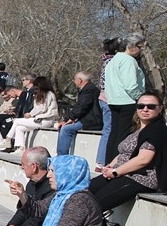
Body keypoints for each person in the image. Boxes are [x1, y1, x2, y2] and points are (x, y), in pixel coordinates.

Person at [88, 89, 167, 211]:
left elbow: (143, 160)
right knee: (82, 193)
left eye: (151, 106)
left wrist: (115, 172)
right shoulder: (137, 130)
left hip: (141, 179)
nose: (145, 109)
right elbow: (124, 153)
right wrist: (110, 166)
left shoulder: (157, 130)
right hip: (123, 173)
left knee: (92, 206)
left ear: (160, 109)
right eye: (141, 106)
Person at [104, 33, 147, 163]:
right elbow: (130, 86)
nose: (141, 50)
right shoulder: (129, 61)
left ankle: (109, 162)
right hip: (127, 101)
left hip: (113, 101)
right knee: (124, 135)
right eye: (140, 46)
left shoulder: (112, 61)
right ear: (131, 46)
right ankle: (118, 163)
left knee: (114, 133)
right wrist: (141, 99)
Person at [3, 75, 58, 153]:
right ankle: (21, 148)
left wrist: (30, 114)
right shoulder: (40, 94)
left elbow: (42, 108)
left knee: (17, 121)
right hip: (39, 119)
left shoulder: (48, 94)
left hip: (46, 120)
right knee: (19, 128)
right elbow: (38, 107)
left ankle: (8, 138)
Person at [56, 71, 102, 155]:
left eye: (75, 79)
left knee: (65, 129)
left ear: (80, 80)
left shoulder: (89, 90)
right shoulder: (88, 89)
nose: (74, 82)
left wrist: (69, 119)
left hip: (91, 120)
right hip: (85, 118)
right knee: (65, 127)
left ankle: (61, 156)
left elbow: (82, 106)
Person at [96, 37, 123, 165]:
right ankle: (102, 161)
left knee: (108, 130)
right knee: (109, 130)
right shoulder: (113, 62)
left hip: (104, 98)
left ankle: (102, 161)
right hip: (108, 99)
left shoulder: (106, 61)